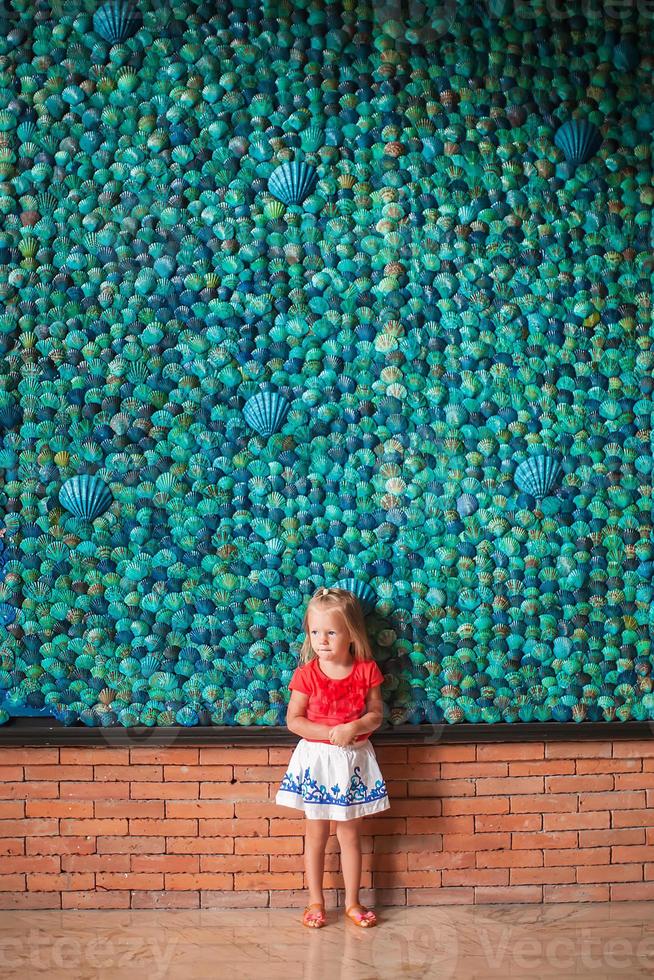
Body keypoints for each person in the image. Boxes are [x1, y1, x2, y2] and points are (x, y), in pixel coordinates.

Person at [275, 585, 390, 929]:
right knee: (316, 833)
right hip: (318, 759)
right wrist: (328, 733)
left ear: (351, 634)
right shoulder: (307, 674)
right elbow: (293, 720)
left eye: (330, 632)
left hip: (352, 759)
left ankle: (353, 902)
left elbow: (376, 715)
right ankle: (316, 900)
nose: (321, 640)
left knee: (350, 834)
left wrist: (352, 727)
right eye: (314, 631)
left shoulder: (366, 670)